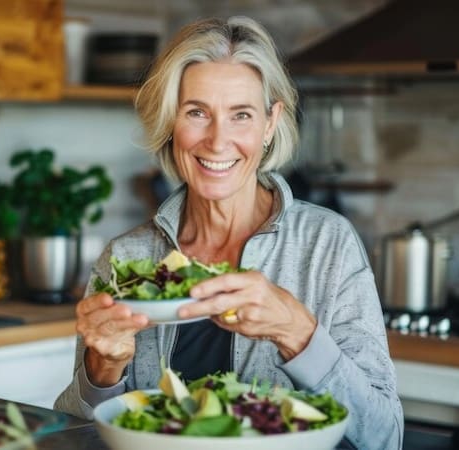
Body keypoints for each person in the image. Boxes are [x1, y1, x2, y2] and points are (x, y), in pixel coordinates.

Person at [54, 16, 403, 449]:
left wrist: (298, 333)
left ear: (270, 123)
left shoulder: (327, 245)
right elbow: (75, 435)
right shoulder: (127, 258)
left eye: (241, 115)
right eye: (197, 112)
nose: (218, 141)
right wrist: (103, 368)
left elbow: (385, 436)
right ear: (170, 121)